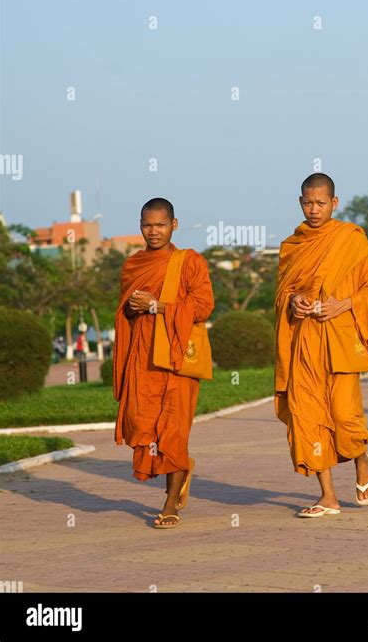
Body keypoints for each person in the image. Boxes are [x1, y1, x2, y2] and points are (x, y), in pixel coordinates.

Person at [274, 173, 368, 518]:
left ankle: (361, 458)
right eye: (308, 202)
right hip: (304, 340)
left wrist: (345, 304)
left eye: (321, 203)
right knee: (308, 415)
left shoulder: (351, 239)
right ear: (300, 202)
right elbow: (282, 293)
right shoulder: (292, 246)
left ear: (334, 203)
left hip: (338, 339)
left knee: (342, 415)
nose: (314, 209)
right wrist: (293, 302)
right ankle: (328, 496)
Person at [113, 198, 214, 528]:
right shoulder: (133, 265)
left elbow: (202, 306)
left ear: (174, 225)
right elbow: (124, 313)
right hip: (143, 357)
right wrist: (135, 307)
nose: (153, 231)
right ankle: (182, 468)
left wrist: (158, 306)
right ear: (139, 225)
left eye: (160, 224)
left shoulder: (189, 262)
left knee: (173, 427)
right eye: (147, 225)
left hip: (175, 357)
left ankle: (170, 502)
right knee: (143, 423)